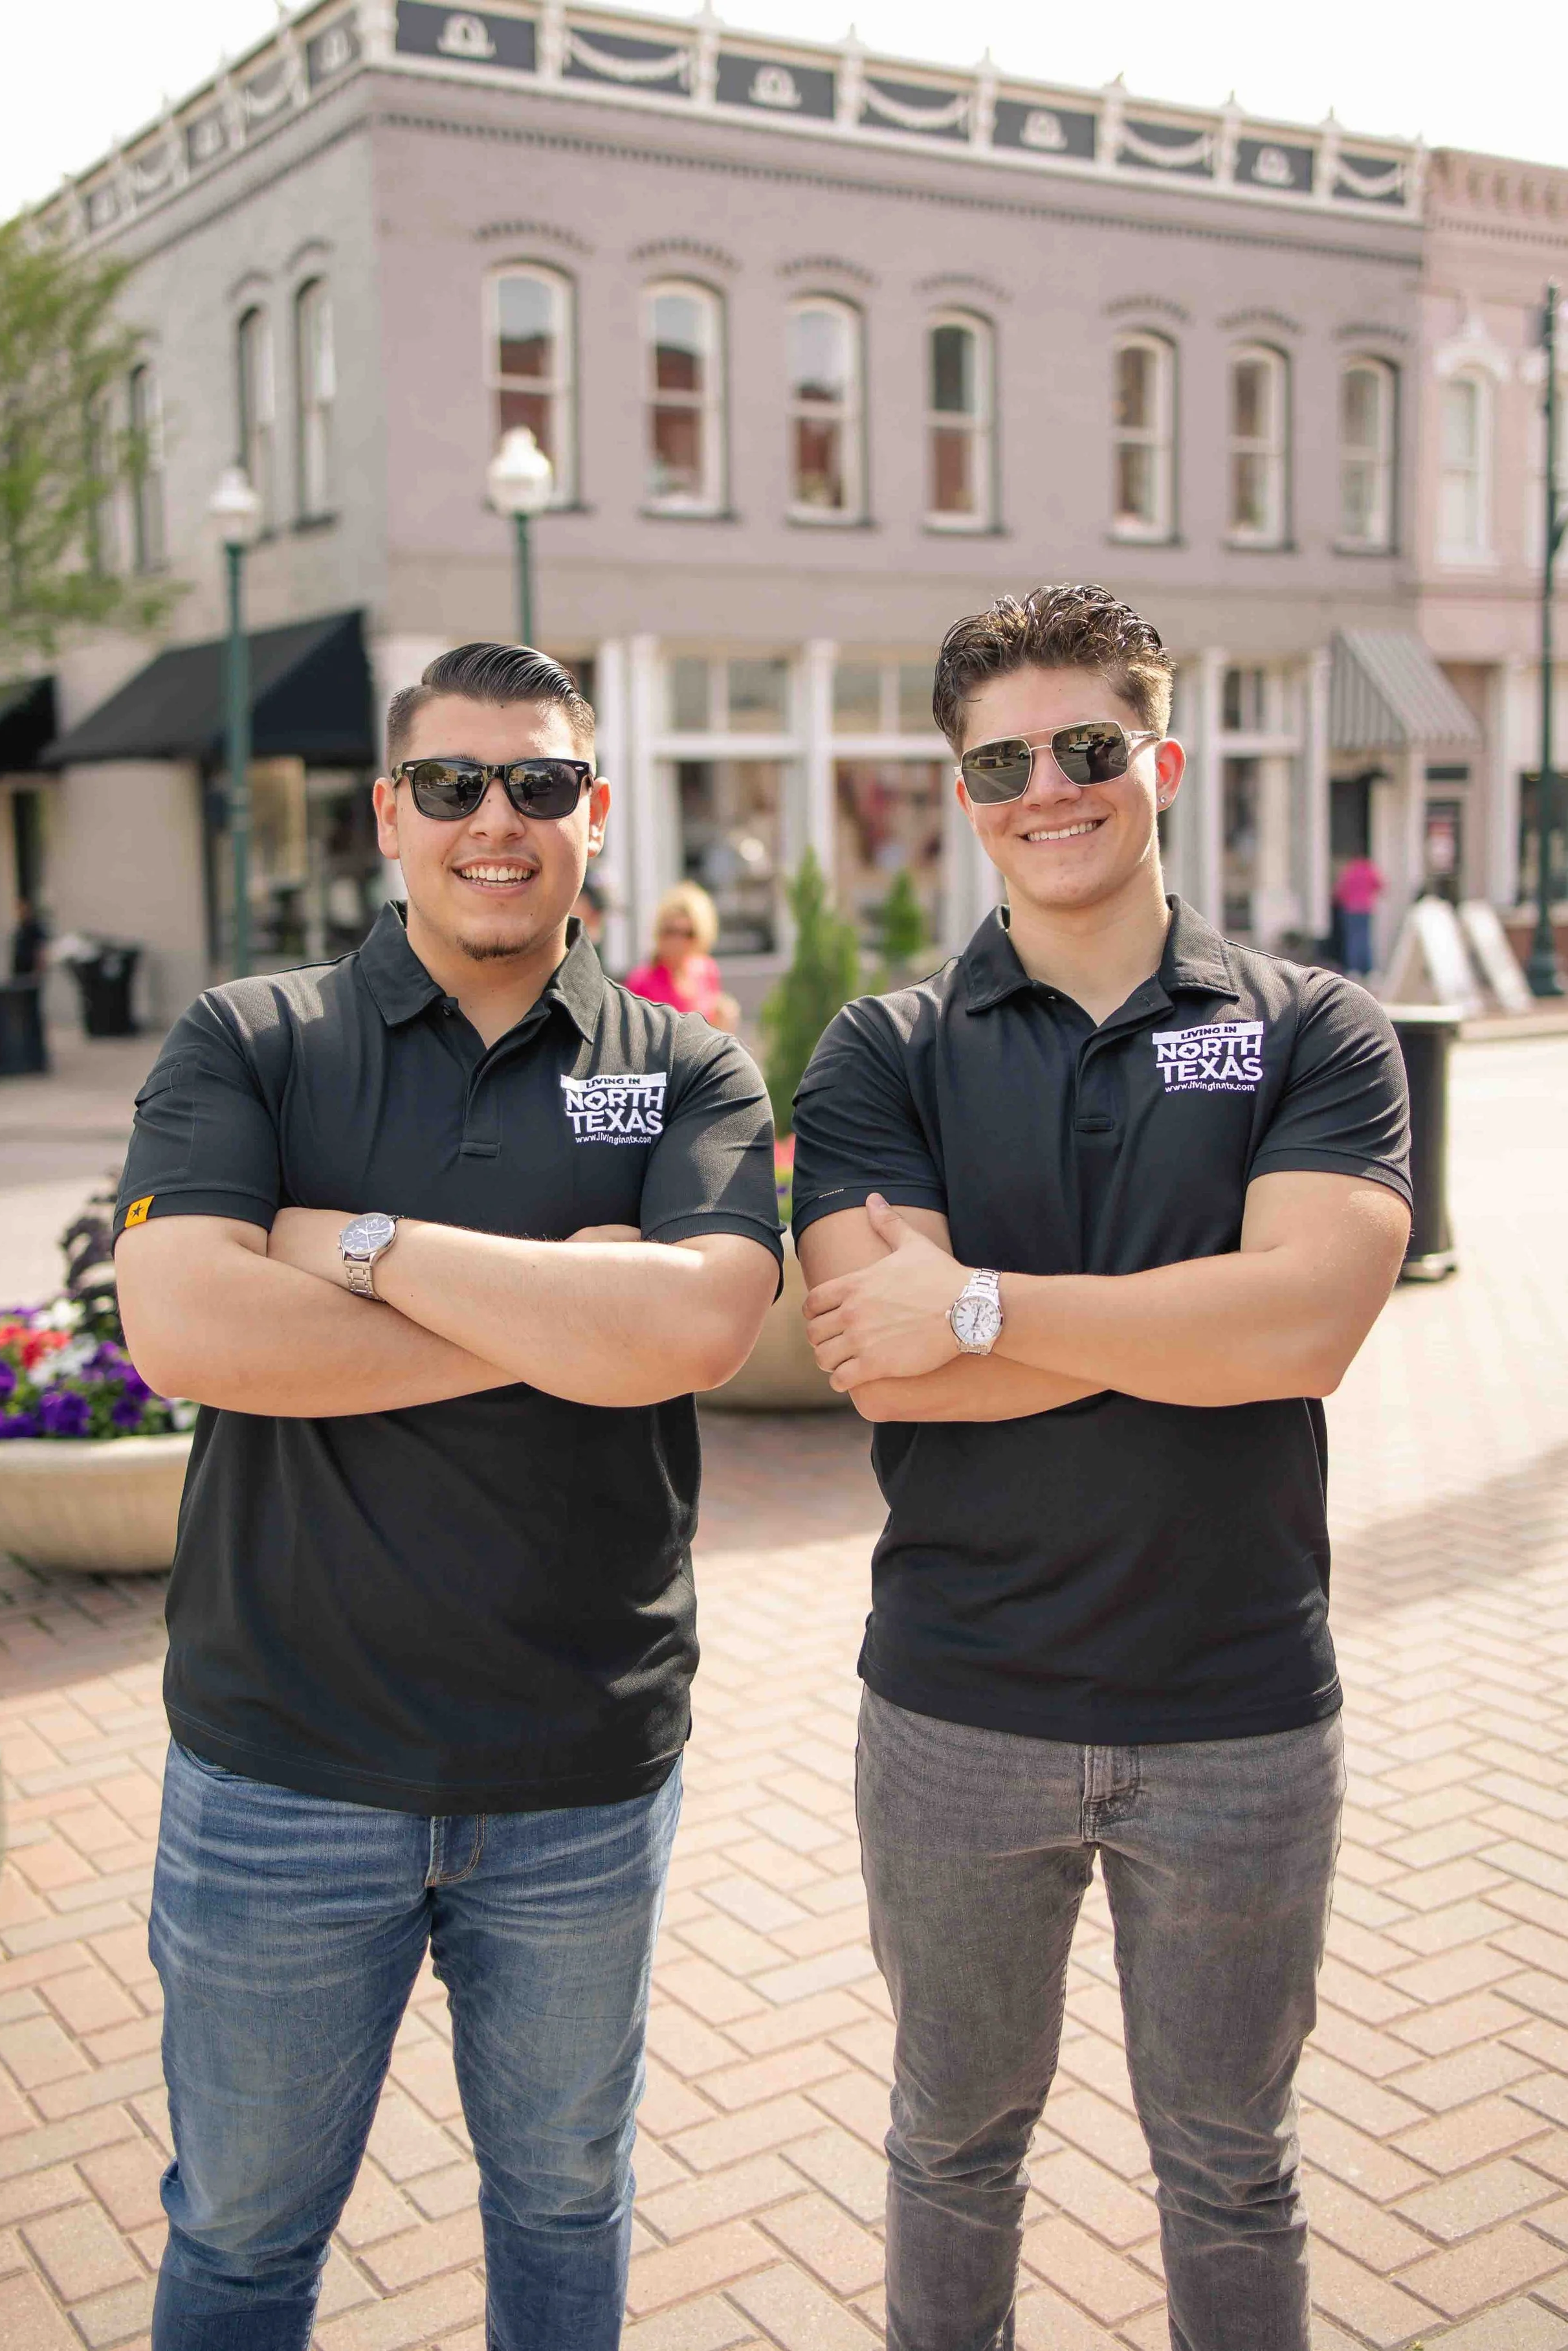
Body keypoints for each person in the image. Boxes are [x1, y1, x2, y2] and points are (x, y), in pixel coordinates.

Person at [112, 642, 782, 2351]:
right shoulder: (253, 1039)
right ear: (389, 814)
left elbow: (696, 1320)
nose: (501, 819)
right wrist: (566, 1312)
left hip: (576, 1769)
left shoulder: (681, 1068)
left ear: (595, 813)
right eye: (458, 784)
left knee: (563, 2205)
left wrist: (360, 1252)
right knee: (244, 2235)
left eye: (542, 784)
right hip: (282, 1765)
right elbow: (186, 1324)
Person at [790, 585, 1411, 2351]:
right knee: (951, 2149)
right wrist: (1175, 1329)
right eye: (1001, 759)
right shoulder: (880, 1052)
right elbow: (876, 1371)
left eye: (1087, 747)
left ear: (1162, 758)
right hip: (956, 1713)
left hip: (1237, 1710)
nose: (1046, 788)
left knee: (1229, 2164)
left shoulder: (1308, 1030)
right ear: (959, 788)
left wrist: (973, 1304)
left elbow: (1300, 1334)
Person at [626, 880, 740, 1032]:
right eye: (671, 931)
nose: (678, 942)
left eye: (688, 934)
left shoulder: (707, 970)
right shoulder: (641, 982)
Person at [1334, 850, 1386, 977]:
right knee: (1365, 939)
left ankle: (1353, 969)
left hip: (1350, 910)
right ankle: (1369, 970)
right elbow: (1381, 886)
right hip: (1365, 909)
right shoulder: (1369, 870)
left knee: (1352, 940)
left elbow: (1339, 892)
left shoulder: (1349, 871)